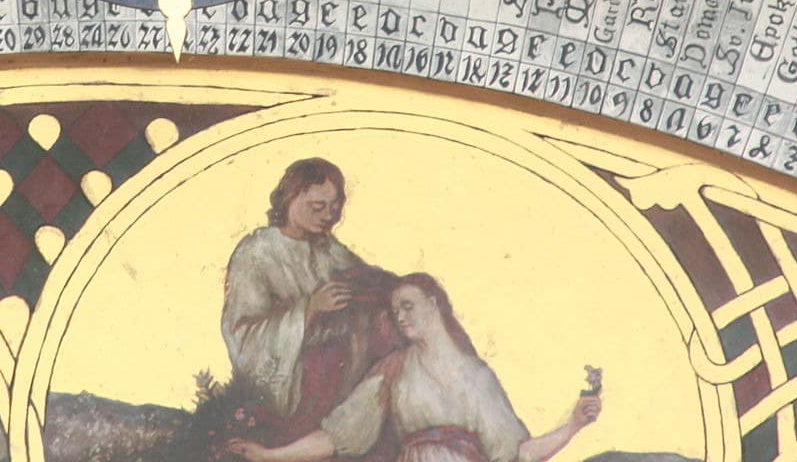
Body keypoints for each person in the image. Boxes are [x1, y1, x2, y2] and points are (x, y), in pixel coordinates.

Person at [228, 275, 601, 462]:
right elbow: (339, 433)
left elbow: (517, 453)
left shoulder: (476, 377)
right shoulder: (394, 369)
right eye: (395, 312)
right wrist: (269, 456)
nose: (401, 317)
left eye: (408, 306)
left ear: (434, 303)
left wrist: (574, 424)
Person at [222, 159, 396, 443]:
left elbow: (368, 281)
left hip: (346, 369)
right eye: (318, 207)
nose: (329, 215)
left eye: (334, 207)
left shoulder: (329, 248)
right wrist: (310, 310)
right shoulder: (257, 252)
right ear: (291, 197)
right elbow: (242, 335)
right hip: (298, 381)